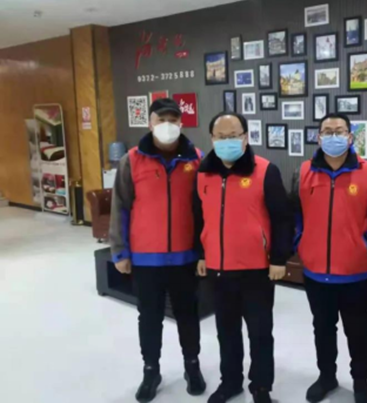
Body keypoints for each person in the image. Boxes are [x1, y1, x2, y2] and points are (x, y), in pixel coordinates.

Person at [109, 98, 206, 403]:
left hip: (185, 257)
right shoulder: (131, 160)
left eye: (173, 120)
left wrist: (204, 252)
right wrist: (120, 251)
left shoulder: (197, 159)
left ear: (181, 123)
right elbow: (120, 207)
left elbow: (204, 210)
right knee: (149, 318)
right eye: (161, 120)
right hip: (145, 258)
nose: (167, 125)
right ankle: (151, 370)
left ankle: (192, 365)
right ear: (150, 124)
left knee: (188, 315)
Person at [291, 113, 367, 403]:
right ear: (318, 137)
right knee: (322, 329)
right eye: (327, 131)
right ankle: (326, 376)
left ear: (350, 137)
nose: (333, 136)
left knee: (357, 330)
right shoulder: (303, 172)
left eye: (340, 131)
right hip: (315, 272)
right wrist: (299, 240)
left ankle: (361, 381)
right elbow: (293, 212)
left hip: (355, 272)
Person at [194, 112, 293, 403]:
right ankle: (230, 382)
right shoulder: (203, 173)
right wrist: (201, 253)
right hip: (217, 268)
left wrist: (279, 259)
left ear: (246, 137)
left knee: (260, 333)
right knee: (226, 331)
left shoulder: (265, 170)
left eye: (233, 135)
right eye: (220, 136)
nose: (227, 141)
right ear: (212, 139)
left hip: (257, 270)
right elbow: (198, 217)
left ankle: (261, 387)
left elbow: (283, 218)